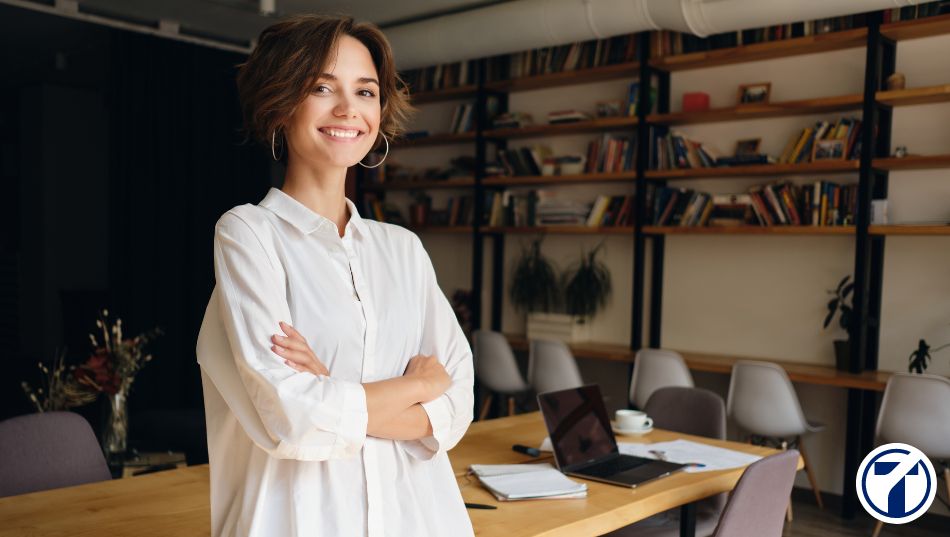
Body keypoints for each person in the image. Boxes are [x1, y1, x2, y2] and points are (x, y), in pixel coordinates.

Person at [195, 14, 475, 537]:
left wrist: (332, 388)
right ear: (280, 105)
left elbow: (456, 406)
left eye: (365, 91)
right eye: (322, 87)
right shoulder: (248, 234)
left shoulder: (404, 250)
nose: (349, 109)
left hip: (417, 520)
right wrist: (415, 385)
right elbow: (291, 416)